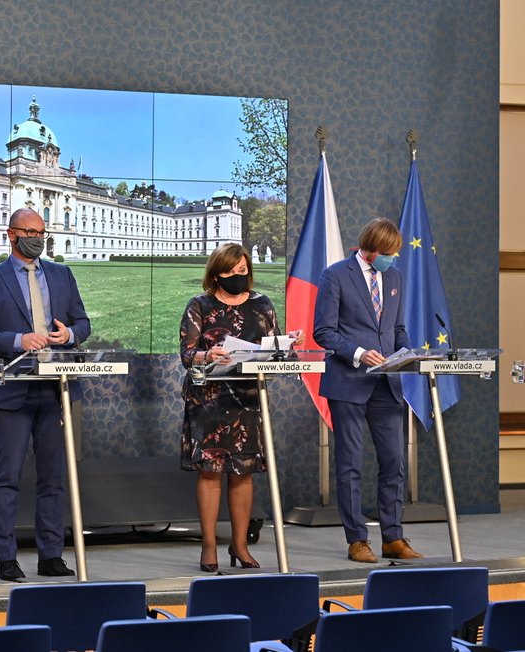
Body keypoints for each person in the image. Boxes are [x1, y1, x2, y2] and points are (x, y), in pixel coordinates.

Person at [0, 207, 91, 581]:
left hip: (56, 389)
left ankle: (51, 555)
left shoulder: (63, 275)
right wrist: (18, 340)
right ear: (12, 234)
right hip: (12, 390)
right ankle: (7, 558)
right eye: (30, 231)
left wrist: (67, 334)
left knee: (53, 477)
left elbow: (83, 323)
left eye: (42, 231)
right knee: (9, 476)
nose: (38, 237)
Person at [179, 243, 302, 572]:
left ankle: (240, 545)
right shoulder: (199, 305)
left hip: (247, 399)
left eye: (243, 271)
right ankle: (208, 547)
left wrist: (287, 345)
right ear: (216, 273)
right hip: (209, 400)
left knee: (243, 472)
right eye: (231, 272)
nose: (238, 276)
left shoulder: (262, 305)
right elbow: (188, 354)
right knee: (211, 472)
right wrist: (209, 354)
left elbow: (275, 349)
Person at [313, 217, 423, 563]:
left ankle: (393, 537)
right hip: (348, 382)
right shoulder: (335, 275)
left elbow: (397, 328)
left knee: (394, 461)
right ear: (372, 251)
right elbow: (324, 332)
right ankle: (357, 539)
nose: (395, 259)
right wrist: (359, 353)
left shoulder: (395, 276)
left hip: (386, 384)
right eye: (390, 253)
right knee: (350, 464)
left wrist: (409, 354)